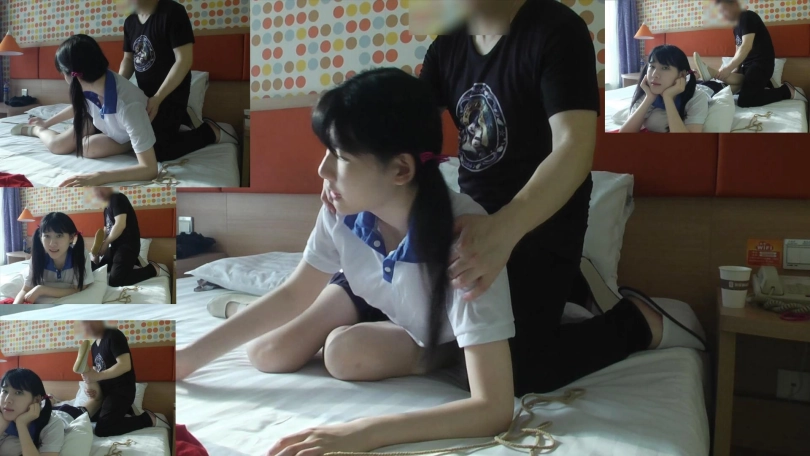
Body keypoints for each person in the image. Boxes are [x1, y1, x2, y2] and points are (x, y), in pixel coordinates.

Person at [319, 0, 705, 398]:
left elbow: (574, 148)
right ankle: (520, 314)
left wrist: (503, 231)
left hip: (538, 224)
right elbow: (402, 126)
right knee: (367, 296)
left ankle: (635, 321)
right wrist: (346, 162)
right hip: (469, 216)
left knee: (518, 370)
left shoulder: (556, 30)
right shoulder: (448, 45)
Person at [177, 68, 517, 454]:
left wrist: (359, 433)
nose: (322, 171)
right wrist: (188, 358)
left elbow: (494, 408)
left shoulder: (466, 241)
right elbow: (294, 294)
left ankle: (441, 353)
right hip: (364, 292)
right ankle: (238, 307)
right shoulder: (342, 210)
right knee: (266, 353)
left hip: (432, 324)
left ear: (401, 169)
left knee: (343, 355)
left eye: (339, 156)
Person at [11, 35, 161, 187]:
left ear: (70, 74)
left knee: (87, 148)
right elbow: (78, 106)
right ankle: (36, 130)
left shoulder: (128, 106)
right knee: (57, 145)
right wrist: (46, 123)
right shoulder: (93, 81)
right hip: (100, 122)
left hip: (121, 133)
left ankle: (132, 144)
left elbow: (149, 169)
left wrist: (99, 177)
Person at [120, 0, 227, 158]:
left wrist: (158, 98)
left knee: (157, 150)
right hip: (145, 95)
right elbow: (128, 59)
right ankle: (183, 120)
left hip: (170, 94)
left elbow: (184, 60)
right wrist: (116, 85)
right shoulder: (130, 22)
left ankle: (209, 132)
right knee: (130, 136)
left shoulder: (172, 12)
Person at [693, 0, 807, 107]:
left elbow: (746, 46)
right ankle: (713, 73)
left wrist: (728, 68)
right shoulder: (736, 27)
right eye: (721, 12)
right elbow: (738, 49)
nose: (723, 15)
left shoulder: (748, 17)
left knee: (746, 100)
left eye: (725, 10)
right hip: (747, 66)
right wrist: (735, 69)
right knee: (733, 82)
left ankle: (786, 91)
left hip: (761, 64)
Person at [55, 321, 158, 437]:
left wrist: (97, 376)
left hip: (121, 391)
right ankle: (125, 411)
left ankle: (147, 418)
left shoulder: (113, 335)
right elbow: (96, 372)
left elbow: (125, 365)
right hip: (104, 393)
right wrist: (91, 387)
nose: (86, 327)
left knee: (103, 429)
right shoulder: (94, 346)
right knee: (85, 416)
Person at [620, 45, 711, 133]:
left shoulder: (697, 97)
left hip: (708, 88)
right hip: (685, 81)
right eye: (652, 66)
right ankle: (698, 74)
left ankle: (712, 73)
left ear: (682, 74)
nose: (654, 75)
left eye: (665, 68)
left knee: (712, 83)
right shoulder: (647, 91)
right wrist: (649, 98)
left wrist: (668, 98)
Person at [91, 188, 167, 287]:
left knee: (116, 281)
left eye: (100, 189)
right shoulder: (106, 208)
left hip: (128, 246)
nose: (98, 192)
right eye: (96, 190)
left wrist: (106, 243)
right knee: (98, 271)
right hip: (114, 247)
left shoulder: (117, 198)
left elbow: (120, 224)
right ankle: (133, 262)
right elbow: (106, 229)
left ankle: (152, 269)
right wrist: (98, 249)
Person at [12, 212, 93, 304]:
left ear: (71, 238)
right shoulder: (38, 257)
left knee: (95, 264)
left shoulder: (80, 255)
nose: (52, 244)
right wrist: (13, 308)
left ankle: (95, 253)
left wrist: (41, 289)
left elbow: (78, 289)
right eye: (47, 236)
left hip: (90, 264)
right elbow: (25, 289)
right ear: (41, 237)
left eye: (59, 236)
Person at [0, 369, 64, 456]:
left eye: (18, 392)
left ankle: (53, 399)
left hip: (65, 414)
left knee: (68, 409)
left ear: (36, 399)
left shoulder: (52, 424)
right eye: (5, 391)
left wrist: (21, 424)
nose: (7, 400)